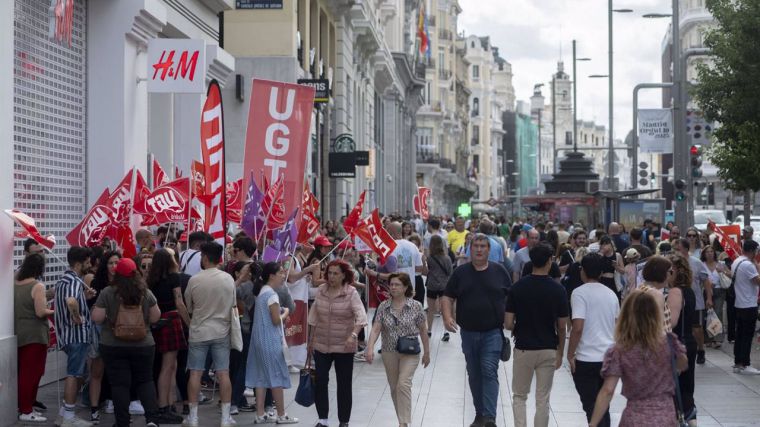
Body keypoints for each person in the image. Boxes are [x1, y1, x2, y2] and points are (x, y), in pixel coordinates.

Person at [588, 290, 687, 427]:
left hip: (635, 418)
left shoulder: (620, 350)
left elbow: (608, 390)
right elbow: (682, 365)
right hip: (665, 416)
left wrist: (593, 423)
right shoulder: (669, 343)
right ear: (655, 315)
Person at [442, 234, 512, 427]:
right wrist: (447, 317)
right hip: (469, 333)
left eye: (483, 246)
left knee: (489, 370)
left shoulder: (500, 271)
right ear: (469, 249)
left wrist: (512, 322)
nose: (479, 249)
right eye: (476, 246)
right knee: (474, 374)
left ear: (489, 250)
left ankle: (490, 417)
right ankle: (480, 413)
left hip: (493, 332)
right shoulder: (460, 273)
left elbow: (511, 298)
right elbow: (447, 296)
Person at [91, 258, 163, 427]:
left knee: (119, 384)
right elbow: (155, 316)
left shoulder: (108, 292)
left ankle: (122, 422)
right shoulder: (145, 292)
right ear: (135, 273)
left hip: (113, 344)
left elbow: (97, 318)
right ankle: (152, 419)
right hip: (143, 344)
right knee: (145, 381)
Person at [505, 243, 568, 427]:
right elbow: (562, 326)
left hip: (524, 348)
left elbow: (508, 323)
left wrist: (520, 325)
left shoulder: (517, 288)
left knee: (519, 395)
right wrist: (560, 352)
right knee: (543, 398)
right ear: (550, 261)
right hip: (548, 348)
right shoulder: (558, 290)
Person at [365, 273, 430, 427]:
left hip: (410, 351)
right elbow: (375, 329)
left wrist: (427, 352)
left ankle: (403, 423)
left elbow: (423, 330)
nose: (393, 287)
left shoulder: (416, 306)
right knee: (395, 388)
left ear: (406, 287)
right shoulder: (384, 306)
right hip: (389, 351)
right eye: (391, 284)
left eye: (397, 284)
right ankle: (403, 421)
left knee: (403, 384)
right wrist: (370, 348)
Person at [308, 259, 368, 427]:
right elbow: (313, 318)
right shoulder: (321, 290)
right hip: (321, 344)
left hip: (344, 346)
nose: (331, 277)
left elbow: (362, 317)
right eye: (329, 273)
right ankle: (323, 420)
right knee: (320, 381)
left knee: (344, 384)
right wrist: (310, 343)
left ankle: (344, 421)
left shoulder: (351, 293)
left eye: (335, 273)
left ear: (343, 276)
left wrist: (353, 335)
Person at [183, 242, 237, 427]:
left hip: (199, 331)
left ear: (205, 257)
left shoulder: (194, 280)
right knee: (223, 374)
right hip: (221, 331)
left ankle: (193, 417)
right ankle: (225, 418)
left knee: (195, 373)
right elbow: (233, 305)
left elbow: (189, 306)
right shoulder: (228, 279)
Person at [566, 253, 619, 427]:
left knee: (591, 408)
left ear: (583, 271)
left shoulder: (579, 293)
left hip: (586, 359)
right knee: (603, 406)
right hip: (608, 357)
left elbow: (578, 327)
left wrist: (570, 353)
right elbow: (618, 326)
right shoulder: (612, 294)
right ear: (602, 272)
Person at [246, 262, 299, 424]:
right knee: (276, 377)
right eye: (281, 273)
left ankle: (260, 413)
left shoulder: (263, 291)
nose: (284, 276)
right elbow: (276, 320)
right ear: (272, 276)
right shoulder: (272, 295)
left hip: (258, 340)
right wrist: (286, 312)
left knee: (261, 378)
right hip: (270, 341)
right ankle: (281, 415)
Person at [145, 249, 189, 421]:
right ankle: (164, 407)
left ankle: (167, 404)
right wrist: (189, 324)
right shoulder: (174, 278)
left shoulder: (150, 280)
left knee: (165, 366)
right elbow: (179, 302)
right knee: (168, 366)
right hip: (171, 320)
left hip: (156, 322)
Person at [54, 246, 95, 427]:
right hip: (76, 335)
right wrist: (77, 317)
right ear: (78, 263)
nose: (89, 265)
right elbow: (70, 301)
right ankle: (69, 417)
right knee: (74, 374)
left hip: (68, 335)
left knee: (77, 373)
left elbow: (72, 299)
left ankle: (64, 414)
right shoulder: (74, 282)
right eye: (87, 262)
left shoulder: (64, 280)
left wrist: (83, 298)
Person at [15, 253, 53, 423]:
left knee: (24, 373)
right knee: (33, 373)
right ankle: (26, 410)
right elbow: (40, 312)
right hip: (35, 335)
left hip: (19, 333)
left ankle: (24, 407)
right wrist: (54, 310)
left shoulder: (14, 283)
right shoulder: (38, 286)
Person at [667, 253, 697, 424]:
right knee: (686, 389)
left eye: (668, 270)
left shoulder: (675, 292)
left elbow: (671, 322)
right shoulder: (690, 291)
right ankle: (692, 421)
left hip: (679, 344)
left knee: (676, 389)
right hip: (689, 341)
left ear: (675, 272)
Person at [675, 238, 712, 364]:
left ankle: (700, 350)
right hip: (678, 300)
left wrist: (709, 298)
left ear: (685, 249)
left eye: (678, 248)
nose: (676, 251)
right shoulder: (674, 262)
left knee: (697, 328)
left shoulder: (696, 262)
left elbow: (706, 281)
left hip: (695, 300)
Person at [730, 239, 760, 374]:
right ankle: (745, 364)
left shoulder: (737, 261)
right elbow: (757, 281)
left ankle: (738, 362)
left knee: (740, 334)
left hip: (740, 303)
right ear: (753, 251)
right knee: (747, 335)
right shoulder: (748, 265)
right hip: (749, 303)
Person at [425, 234, 453, 342]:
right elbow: (450, 272)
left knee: (431, 310)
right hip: (444, 286)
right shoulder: (447, 258)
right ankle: (446, 332)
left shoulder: (429, 258)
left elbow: (426, 271)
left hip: (432, 285)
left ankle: (429, 330)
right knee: (444, 310)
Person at [702, 246, 728, 347]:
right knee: (707, 314)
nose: (709, 253)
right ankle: (708, 338)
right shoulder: (702, 265)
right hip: (706, 291)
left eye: (711, 251)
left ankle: (717, 338)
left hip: (719, 290)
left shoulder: (720, 264)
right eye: (707, 252)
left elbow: (730, 274)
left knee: (717, 313)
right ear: (704, 254)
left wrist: (723, 271)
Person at [598, 236, 624, 300]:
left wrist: (616, 266)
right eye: (602, 244)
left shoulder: (617, 255)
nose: (604, 246)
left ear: (611, 244)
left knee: (616, 300)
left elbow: (623, 271)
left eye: (606, 244)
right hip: (603, 281)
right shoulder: (599, 256)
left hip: (614, 282)